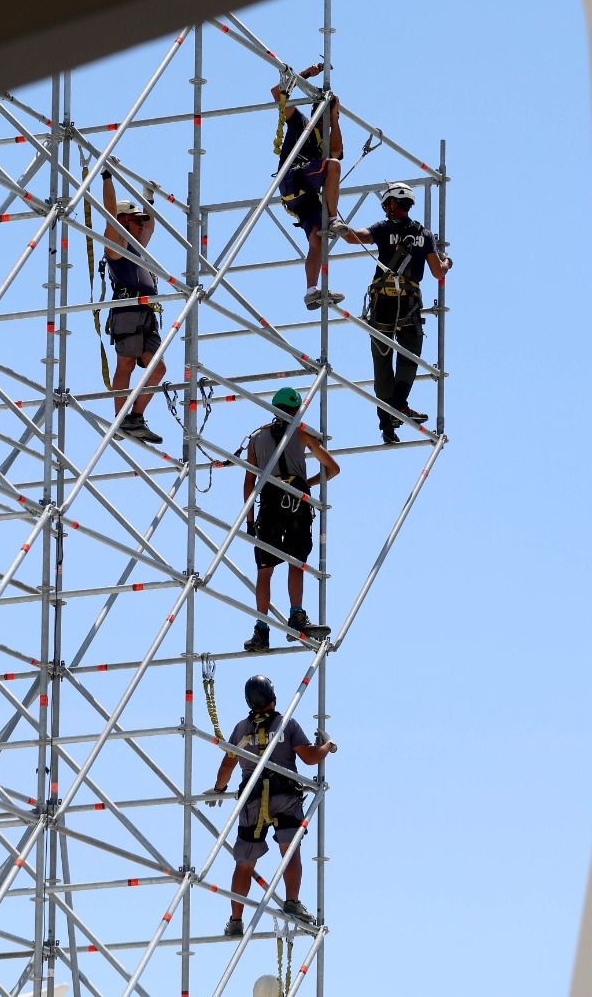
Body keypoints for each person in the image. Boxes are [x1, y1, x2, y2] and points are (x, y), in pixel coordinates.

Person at [207, 673, 337, 936]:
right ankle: (292, 902)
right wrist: (327, 747)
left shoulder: (241, 730)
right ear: (273, 697)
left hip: (251, 802)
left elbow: (227, 766)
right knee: (290, 851)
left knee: (244, 863)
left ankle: (235, 920)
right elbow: (310, 758)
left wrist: (219, 789)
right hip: (284, 799)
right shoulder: (286, 724)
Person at [335, 182, 453, 443]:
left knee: (382, 360)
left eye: (387, 204)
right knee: (410, 355)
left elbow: (358, 237)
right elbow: (437, 272)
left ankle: (387, 421)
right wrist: (447, 261)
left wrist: (342, 228)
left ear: (394, 203)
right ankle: (399, 405)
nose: (386, 209)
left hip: (384, 302)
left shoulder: (384, 228)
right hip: (408, 302)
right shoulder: (425, 235)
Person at [241, 386, 340, 650]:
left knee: (265, 570)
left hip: (270, 506)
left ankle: (261, 631)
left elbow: (249, 483)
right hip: (296, 505)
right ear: (296, 410)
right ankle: (296, 616)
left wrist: (249, 521)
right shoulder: (301, 433)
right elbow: (333, 468)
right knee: (296, 563)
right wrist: (305, 485)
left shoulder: (256, 438)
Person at [271, 63, 347, 311]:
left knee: (317, 241)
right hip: (294, 178)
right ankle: (334, 217)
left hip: (305, 196)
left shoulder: (324, 141)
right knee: (333, 166)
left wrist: (335, 116)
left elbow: (336, 150)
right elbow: (276, 92)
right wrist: (305, 75)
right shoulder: (301, 123)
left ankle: (311, 290)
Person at [101, 166, 166, 444]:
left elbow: (151, 224)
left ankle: (135, 418)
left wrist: (147, 199)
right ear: (123, 221)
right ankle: (119, 420)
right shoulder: (116, 244)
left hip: (145, 312)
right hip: (128, 310)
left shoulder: (139, 246)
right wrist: (107, 176)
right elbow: (108, 212)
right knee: (126, 363)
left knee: (158, 368)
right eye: (135, 221)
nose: (141, 225)